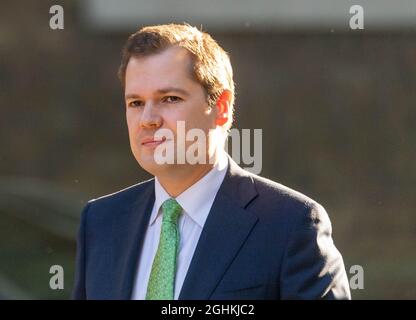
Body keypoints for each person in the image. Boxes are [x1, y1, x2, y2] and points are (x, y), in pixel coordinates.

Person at [72, 23, 351, 300]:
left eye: (169, 98)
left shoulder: (290, 225)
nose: (147, 119)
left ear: (221, 107)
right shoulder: (101, 222)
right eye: (135, 103)